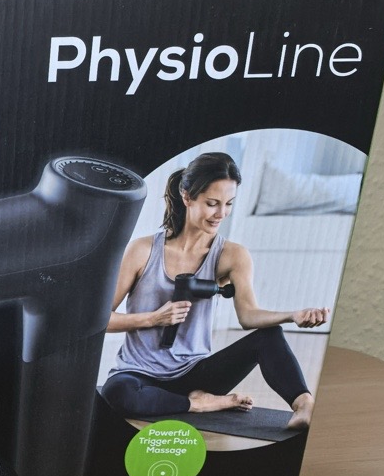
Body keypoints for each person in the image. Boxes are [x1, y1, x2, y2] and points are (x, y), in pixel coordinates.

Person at [101, 152, 328, 430]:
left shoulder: (232, 255)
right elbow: (101, 319)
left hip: (196, 373)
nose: (221, 214)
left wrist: (293, 315)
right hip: (139, 373)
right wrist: (153, 318)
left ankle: (304, 405)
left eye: (229, 204)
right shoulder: (142, 250)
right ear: (187, 197)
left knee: (269, 336)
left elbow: (249, 316)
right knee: (116, 394)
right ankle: (199, 403)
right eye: (212, 203)